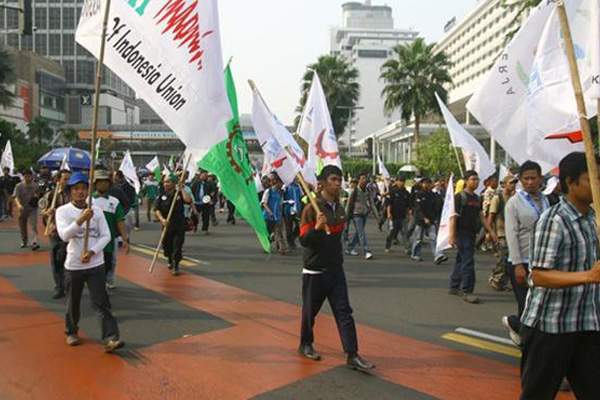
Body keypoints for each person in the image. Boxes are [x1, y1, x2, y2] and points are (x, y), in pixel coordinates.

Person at [518, 152, 600, 400]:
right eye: (592, 178)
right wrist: (588, 276)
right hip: (551, 326)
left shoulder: (593, 219)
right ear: (570, 182)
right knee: (537, 395)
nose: (597, 184)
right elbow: (540, 276)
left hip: (586, 322)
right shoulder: (554, 221)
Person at [298, 165, 375, 373]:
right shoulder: (310, 209)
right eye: (333, 179)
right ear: (322, 183)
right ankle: (305, 344)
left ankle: (352, 354)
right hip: (314, 271)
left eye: (340, 180)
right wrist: (316, 228)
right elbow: (304, 241)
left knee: (344, 312)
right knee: (309, 313)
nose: (338, 183)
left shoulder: (340, 209)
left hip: (335, 270)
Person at [55, 172, 124, 352]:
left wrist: (92, 251)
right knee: (73, 301)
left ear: (88, 191)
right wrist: (80, 220)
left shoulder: (97, 211)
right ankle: (71, 331)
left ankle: (110, 337)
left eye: (83, 189)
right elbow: (64, 235)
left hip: (95, 264)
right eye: (76, 189)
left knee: (101, 301)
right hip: (74, 265)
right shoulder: (63, 211)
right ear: (70, 191)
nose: (80, 192)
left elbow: (106, 236)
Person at [502, 161, 550, 346]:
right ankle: (528, 344)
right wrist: (518, 265)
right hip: (522, 261)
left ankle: (516, 324)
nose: (530, 182)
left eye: (533, 178)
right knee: (526, 304)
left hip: (543, 261)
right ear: (521, 180)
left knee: (540, 305)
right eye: (526, 178)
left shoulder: (547, 200)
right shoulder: (514, 203)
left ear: (540, 179)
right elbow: (511, 234)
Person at [448, 170, 497, 304]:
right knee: (468, 261)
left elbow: (481, 215)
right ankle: (467, 291)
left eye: (477, 179)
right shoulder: (460, 197)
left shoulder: (476, 198)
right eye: (473, 179)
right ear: (466, 181)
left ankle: (454, 286)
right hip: (461, 233)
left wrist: (490, 231)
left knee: (461, 259)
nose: (475, 182)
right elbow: (453, 217)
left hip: (471, 233)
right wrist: (451, 236)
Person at [92, 170, 129, 291]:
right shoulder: (89, 201)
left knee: (109, 263)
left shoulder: (114, 202)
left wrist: (125, 239)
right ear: (95, 184)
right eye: (100, 182)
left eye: (105, 182)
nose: (103, 184)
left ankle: (105, 281)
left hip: (109, 240)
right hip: (92, 240)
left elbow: (120, 221)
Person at [41, 169, 72, 299]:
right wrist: (48, 212)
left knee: (69, 258)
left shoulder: (73, 194)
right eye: (65, 179)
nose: (67, 182)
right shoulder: (51, 195)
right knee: (56, 258)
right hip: (55, 231)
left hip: (70, 231)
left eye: (69, 179)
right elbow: (43, 211)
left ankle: (69, 284)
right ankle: (59, 286)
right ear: (58, 180)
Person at [154, 174, 192, 276]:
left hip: (179, 225)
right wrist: (162, 219)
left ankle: (176, 265)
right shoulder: (162, 195)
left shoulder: (179, 194)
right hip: (167, 225)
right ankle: (169, 258)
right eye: (165, 182)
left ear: (174, 183)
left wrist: (181, 188)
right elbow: (157, 209)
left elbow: (188, 200)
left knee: (177, 246)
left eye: (168, 182)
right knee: (167, 246)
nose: (165, 184)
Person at [488, 174, 517, 292]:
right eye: (510, 182)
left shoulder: (515, 198)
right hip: (501, 232)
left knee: (511, 259)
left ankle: (503, 280)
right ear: (504, 184)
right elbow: (491, 216)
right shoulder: (497, 198)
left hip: (513, 232)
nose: (513, 185)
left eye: (514, 183)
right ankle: (496, 277)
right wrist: (490, 232)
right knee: (503, 257)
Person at [410, 177, 447, 264]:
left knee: (433, 238)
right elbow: (418, 208)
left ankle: (438, 255)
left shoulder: (433, 195)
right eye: (425, 183)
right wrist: (423, 218)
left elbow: (436, 207)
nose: (427, 185)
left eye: (428, 183)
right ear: (422, 184)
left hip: (431, 220)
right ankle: (415, 254)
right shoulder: (419, 194)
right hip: (420, 220)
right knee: (418, 239)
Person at [346, 173, 377, 260]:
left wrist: (377, 215)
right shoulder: (355, 191)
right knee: (361, 233)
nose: (365, 180)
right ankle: (366, 251)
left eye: (365, 178)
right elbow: (349, 204)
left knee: (358, 233)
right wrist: (346, 215)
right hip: (356, 214)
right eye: (363, 178)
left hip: (364, 214)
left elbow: (372, 203)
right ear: (359, 180)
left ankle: (349, 248)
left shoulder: (368, 190)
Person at [13, 169, 41, 250]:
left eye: (29, 176)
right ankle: (24, 240)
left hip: (33, 208)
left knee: (33, 225)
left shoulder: (36, 186)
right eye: (26, 176)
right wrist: (19, 205)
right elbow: (15, 197)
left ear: (32, 176)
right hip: (23, 208)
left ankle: (34, 242)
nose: (27, 178)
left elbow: (39, 196)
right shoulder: (19, 186)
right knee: (22, 226)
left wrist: (36, 197)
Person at [262, 174, 288, 255]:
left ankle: (281, 248)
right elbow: (264, 203)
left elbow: (280, 203)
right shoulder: (268, 191)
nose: (281, 185)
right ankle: (266, 246)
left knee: (279, 232)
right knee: (268, 233)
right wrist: (269, 212)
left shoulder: (280, 192)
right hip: (268, 216)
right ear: (276, 183)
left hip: (278, 216)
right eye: (280, 183)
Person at [384, 176, 410, 253]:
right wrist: (388, 213)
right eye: (400, 181)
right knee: (391, 232)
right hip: (393, 216)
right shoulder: (393, 191)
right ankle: (387, 246)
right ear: (396, 181)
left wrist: (408, 214)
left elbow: (408, 205)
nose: (401, 183)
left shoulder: (406, 193)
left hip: (403, 216)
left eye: (403, 181)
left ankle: (407, 248)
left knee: (405, 232)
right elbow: (389, 203)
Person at [284, 178, 303, 249]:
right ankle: (290, 242)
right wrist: (287, 201)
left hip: (297, 210)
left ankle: (293, 236)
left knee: (299, 226)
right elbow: (281, 197)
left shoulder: (298, 186)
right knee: (289, 227)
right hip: (288, 209)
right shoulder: (286, 186)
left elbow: (301, 196)